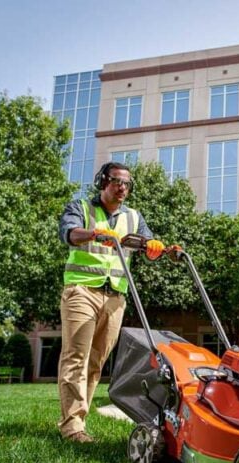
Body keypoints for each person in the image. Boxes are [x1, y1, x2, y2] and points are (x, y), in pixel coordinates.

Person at [57, 161, 164, 443]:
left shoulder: (133, 217)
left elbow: (147, 243)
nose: (122, 188)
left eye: (127, 184)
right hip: (82, 290)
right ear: (103, 182)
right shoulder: (81, 208)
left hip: (116, 296)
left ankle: (79, 418)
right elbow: (69, 234)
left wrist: (155, 247)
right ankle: (72, 426)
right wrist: (94, 234)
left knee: (96, 362)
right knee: (76, 356)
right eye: (117, 181)